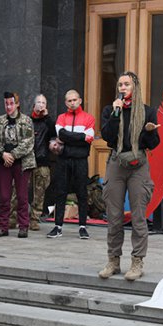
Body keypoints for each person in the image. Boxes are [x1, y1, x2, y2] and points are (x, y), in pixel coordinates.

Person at [98, 71, 160, 281]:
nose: (122, 88)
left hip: (138, 165)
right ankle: (113, 261)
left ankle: (137, 262)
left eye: (126, 84)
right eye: (120, 85)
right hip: (116, 163)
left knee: (138, 216)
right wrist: (116, 113)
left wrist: (150, 131)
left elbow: (154, 143)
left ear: (135, 87)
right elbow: (107, 136)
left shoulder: (147, 112)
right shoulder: (110, 109)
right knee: (114, 217)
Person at [47, 90, 95, 240]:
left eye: (75, 100)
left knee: (82, 192)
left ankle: (82, 226)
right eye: (69, 100)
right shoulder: (61, 118)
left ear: (80, 100)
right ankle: (58, 226)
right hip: (63, 160)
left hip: (80, 160)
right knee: (60, 192)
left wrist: (69, 140)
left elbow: (89, 138)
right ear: (65, 103)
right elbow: (61, 135)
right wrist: (80, 138)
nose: (72, 102)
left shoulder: (89, 118)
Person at [0, 92, 36, 238]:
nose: (8, 107)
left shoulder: (26, 121)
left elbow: (28, 142)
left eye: (11, 103)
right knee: (4, 196)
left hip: (21, 162)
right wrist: (3, 153)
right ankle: (3, 226)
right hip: (3, 162)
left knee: (22, 196)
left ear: (17, 104)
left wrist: (13, 155)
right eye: (6, 104)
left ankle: (23, 226)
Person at [9, 94, 56, 231]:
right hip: (25, 161)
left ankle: (34, 219)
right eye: (38, 102)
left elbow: (54, 134)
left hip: (42, 162)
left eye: (43, 103)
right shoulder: (25, 120)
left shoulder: (49, 122)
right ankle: (12, 218)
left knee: (39, 193)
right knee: (17, 191)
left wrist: (47, 117)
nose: (41, 105)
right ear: (33, 105)